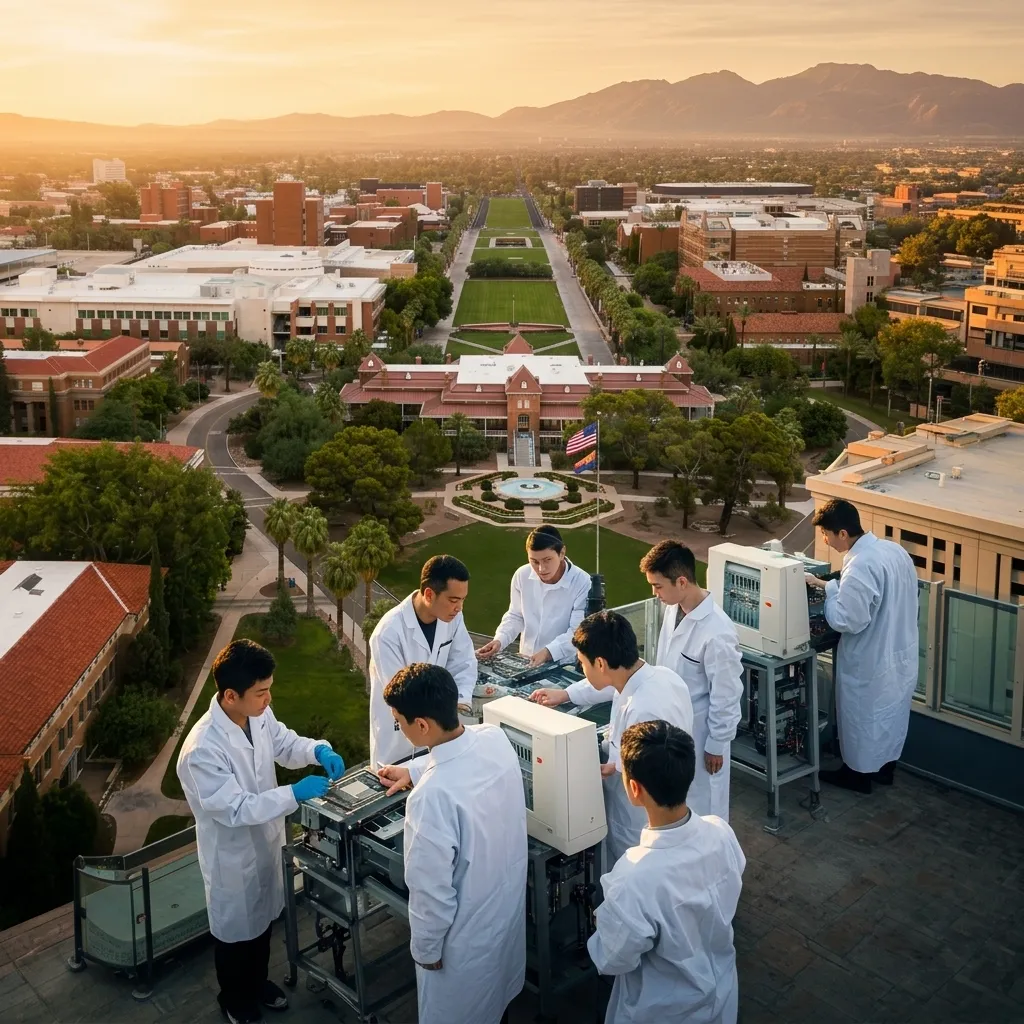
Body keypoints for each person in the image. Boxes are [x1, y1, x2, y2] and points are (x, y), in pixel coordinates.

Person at [177, 639, 345, 1024]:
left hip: (266, 842)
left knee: (263, 922)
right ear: (231, 695)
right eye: (261, 692)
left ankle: (257, 984)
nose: (268, 699)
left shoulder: (256, 714)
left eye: (269, 689)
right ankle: (234, 1000)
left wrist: (318, 750)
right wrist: (294, 793)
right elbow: (235, 808)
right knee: (236, 935)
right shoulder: (202, 750)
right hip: (231, 856)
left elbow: (283, 743)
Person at [377, 663, 527, 1024]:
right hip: (503, 912)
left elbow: (430, 891)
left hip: (463, 943)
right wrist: (412, 771)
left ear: (423, 725)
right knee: (497, 1005)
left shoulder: (431, 797)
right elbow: (461, 753)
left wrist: (426, 949)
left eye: (400, 721)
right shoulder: (494, 738)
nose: (400, 727)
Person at [588, 720, 745, 1024]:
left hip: (662, 1010)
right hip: (721, 992)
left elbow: (611, 958)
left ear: (634, 788)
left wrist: (600, 921)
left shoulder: (635, 877)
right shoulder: (721, 832)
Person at [531, 611, 693, 866]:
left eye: (582, 663)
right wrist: (565, 694)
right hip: (664, 805)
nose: (582, 669)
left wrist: (610, 767)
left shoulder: (643, 709)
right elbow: (608, 685)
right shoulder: (659, 676)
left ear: (601, 664)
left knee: (629, 870)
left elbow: (647, 771)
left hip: (636, 818)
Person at [805, 498, 919, 794]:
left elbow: (847, 620)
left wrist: (829, 589)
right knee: (891, 716)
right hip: (900, 651)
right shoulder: (893, 550)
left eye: (827, 534)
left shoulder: (860, 564)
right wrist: (828, 583)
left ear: (842, 533)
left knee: (862, 719)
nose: (826, 541)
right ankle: (884, 769)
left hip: (871, 660)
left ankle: (856, 775)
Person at [642, 540, 743, 822]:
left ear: (682, 581)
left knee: (706, 807)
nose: (655, 593)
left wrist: (716, 744)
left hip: (701, 735)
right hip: (674, 728)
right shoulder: (673, 609)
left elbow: (727, 695)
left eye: (658, 586)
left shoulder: (718, 633)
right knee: (678, 804)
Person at [368, 555, 476, 770]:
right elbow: (403, 694)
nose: (459, 608)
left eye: (463, 600)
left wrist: (460, 702)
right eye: (454, 600)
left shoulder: (452, 619)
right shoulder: (388, 634)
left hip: (440, 734)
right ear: (429, 594)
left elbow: (463, 662)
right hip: (399, 742)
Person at [476, 525, 592, 667]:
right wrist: (500, 640)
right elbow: (516, 616)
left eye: (547, 560)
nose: (541, 569)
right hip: (525, 661)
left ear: (562, 553)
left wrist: (549, 652)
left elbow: (578, 632)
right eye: (534, 562)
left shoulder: (582, 581)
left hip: (562, 665)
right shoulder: (521, 575)